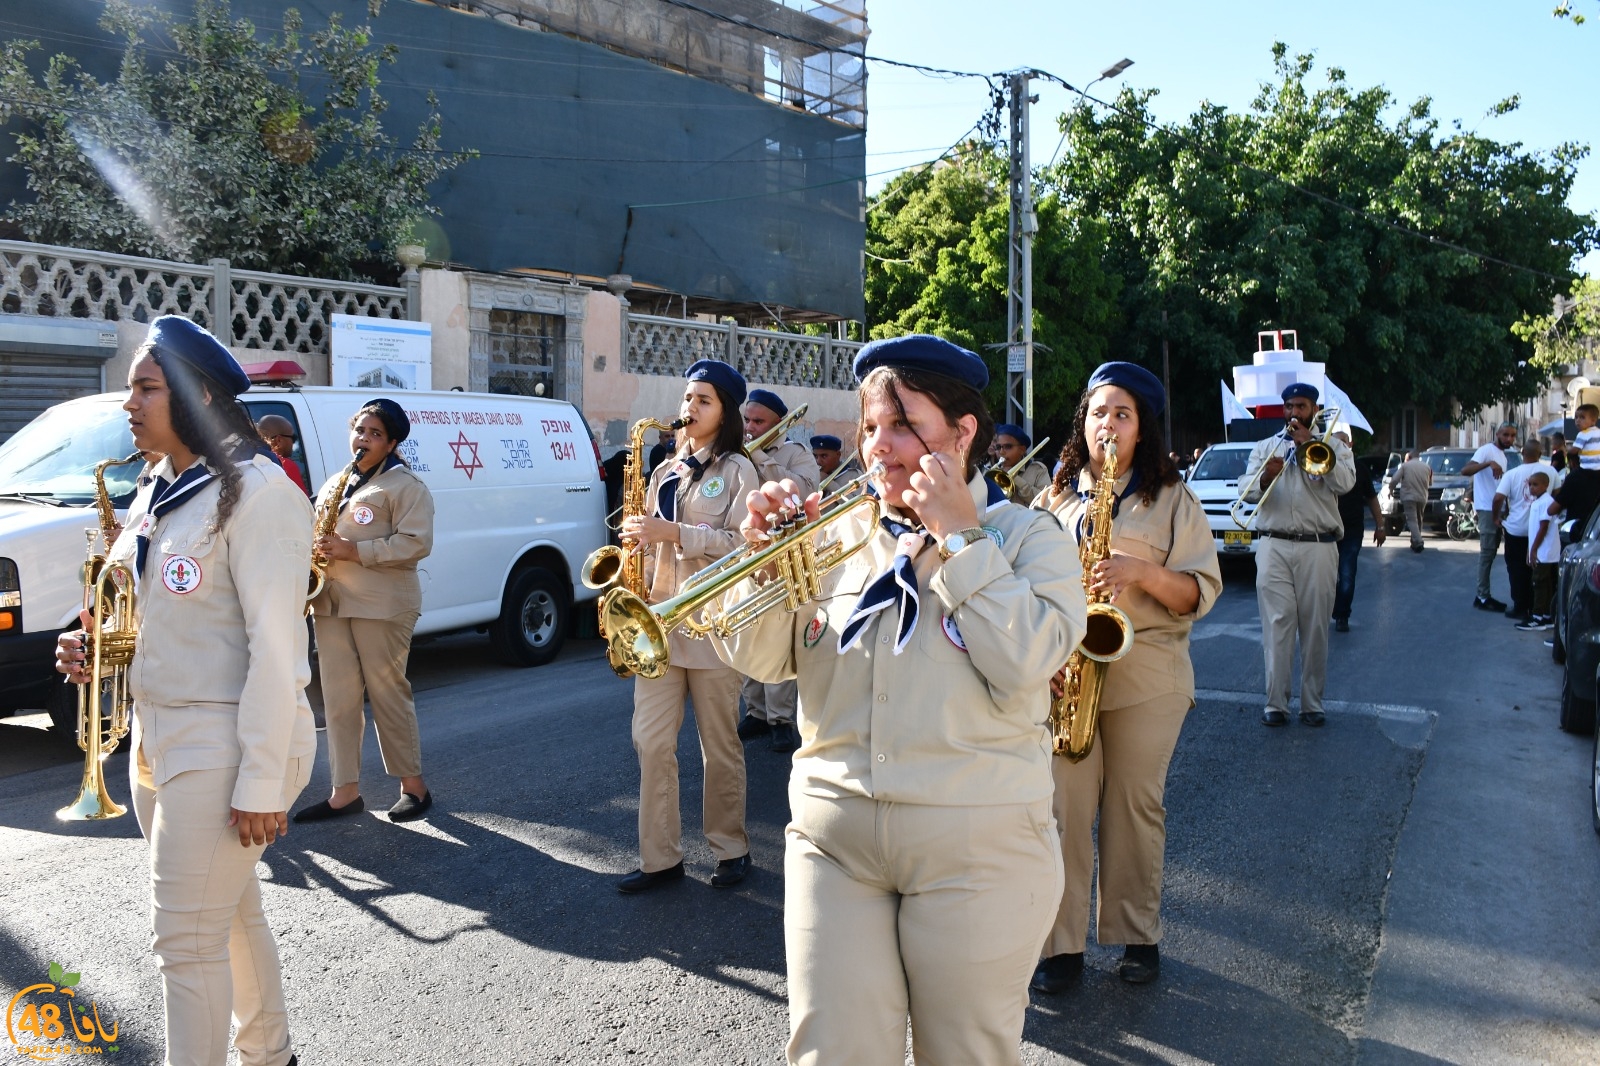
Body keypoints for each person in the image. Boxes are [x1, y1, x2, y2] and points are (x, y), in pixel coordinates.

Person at [711, 333, 1085, 1065]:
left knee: (964, 1056)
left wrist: (959, 540)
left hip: (976, 851)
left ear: (964, 432)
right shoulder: (836, 536)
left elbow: (1029, 661)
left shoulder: (1026, 537)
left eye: (903, 424)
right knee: (832, 1054)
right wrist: (762, 564)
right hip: (835, 842)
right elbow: (760, 660)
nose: (878, 446)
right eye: (869, 426)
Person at [55, 315, 315, 1066]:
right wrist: (97, 647)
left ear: (198, 397)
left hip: (229, 741)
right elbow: (146, 610)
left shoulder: (261, 494)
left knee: (184, 943)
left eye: (145, 387)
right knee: (229, 917)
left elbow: (278, 651)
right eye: (128, 388)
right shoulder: (159, 490)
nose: (127, 403)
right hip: (157, 736)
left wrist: (264, 780)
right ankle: (272, 1055)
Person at [1030, 362, 1220, 993]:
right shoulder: (1053, 498)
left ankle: (1138, 936)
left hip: (1148, 672)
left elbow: (1199, 592)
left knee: (1134, 808)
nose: (1106, 426)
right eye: (1096, 413)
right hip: (1066, 675)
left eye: (1121, 414)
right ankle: (1060, 946)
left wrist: (1138, 572)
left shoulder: (1172, 499)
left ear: (1143, 429)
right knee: (1062, 807)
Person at [618, 359, 759, 892]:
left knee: (719, 743)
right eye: (687, 398)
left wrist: (675, 533)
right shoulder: (664, 473)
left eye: (703, 400)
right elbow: (653, 548)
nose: (689, 409)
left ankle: (730, 847)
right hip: (658, 623)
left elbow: (745, 548)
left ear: (724, 412)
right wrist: (634, 570)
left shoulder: (739, 471)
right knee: (651, 742)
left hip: (712, 624)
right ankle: (661, 858)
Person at [295, 398, 436, 824]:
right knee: (337, 699)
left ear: (393, 443)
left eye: (375, 434)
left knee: (387, 693)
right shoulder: (339, 480)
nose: (364, 439)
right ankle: (345, 792)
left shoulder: (406, 486)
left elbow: (416, 543)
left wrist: (355, 550)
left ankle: (413, 787)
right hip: (332, 602)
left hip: (382, 604)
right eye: (360, 430)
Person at [1240, 383, 1356, 727]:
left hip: (1318, 545)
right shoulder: (1265, 447)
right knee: (1277, 625)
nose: (1293, 413)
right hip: (1273, 542)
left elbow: (1346, 483)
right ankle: (1275, 704)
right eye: (1289, 406)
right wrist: (1264, 478)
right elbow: (1246, 492)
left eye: (1301, 406)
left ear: (1314, 410)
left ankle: (1312, 704)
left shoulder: (1333, 445)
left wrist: (1311, 446)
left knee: (1316, 626)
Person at [738, 389, 820, 754]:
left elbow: (803, 490)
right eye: (748, 421)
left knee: (780, 627)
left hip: (785, 552)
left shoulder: (796, 454)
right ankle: (756, 711)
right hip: (748, 548)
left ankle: (781, 719)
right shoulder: (737, 451)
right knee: (749, 627)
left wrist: (760, 457)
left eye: (759, 422)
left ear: (778, 424)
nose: (751, 428)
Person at [1331, 432, 1386, 633]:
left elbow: (1372, 498)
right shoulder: (1323, 465)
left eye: (1342, 442)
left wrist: (1380, 527)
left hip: (1352, 531)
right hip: (1326, 531)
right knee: (1326, 578)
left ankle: (1342, 615)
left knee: (1347, 574)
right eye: (1334, 442)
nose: (1339, 445)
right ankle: (1331, 609)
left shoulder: (1360, 468)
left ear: (1350, 444)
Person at [1492, 441, 1552, 623]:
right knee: (1539, 570)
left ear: (1523, 452)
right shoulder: (1551, 473)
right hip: (1541, 530)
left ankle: (1520, 606)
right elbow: (1558, 496)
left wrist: (1496, 517)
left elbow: (1498, 498)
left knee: (1516, 568)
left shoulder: (1511, 474)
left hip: (1516, 529)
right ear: (1541, 453)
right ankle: (1537, 607)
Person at [1462, 422, 1516, 611]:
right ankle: (1482, 596)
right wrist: (1487, 463)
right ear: (1497, 434)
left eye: (1512, 436)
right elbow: (1465, 470)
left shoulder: (1503, 456)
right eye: (1506, 435)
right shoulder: (1486, 450)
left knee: (1492, 553)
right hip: (1486, 509)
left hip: (1498, 509)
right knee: (1486, 553)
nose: (1509, 439)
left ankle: (1484, 594)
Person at [1520, 471, 1560, 632]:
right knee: (1546, 582)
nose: (1532, 488)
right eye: (1530, 484)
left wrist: (1534, 549)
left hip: (1544, 550)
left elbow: (1543, 527)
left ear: (1546, 485)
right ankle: (1547, 615)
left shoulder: (1546, 502)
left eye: (1535, 485)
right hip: (1541, 550)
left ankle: (1537, 617)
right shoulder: (1538, 502)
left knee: (1539, 582)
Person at [1557, 405, 1600, 539]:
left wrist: (1565, 452)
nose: (1577, 421)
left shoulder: (1583, 434)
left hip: (1587, 468)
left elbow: (1574, 450)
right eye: (1576, 417)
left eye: (1582, 417)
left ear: (1593, 420)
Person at [993, 422, 1052, 502]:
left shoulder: (1038, 470)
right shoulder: (993, 472)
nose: (1001, 452)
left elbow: (1046, 501)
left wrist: (1016, 479)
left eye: (1008, 447)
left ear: (1022, 450)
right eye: (998, 447)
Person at [256, 413, 310, 495]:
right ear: (279, 440)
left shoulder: (252, 462)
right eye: (293, 438)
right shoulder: (286, 465)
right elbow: (303, 504)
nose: (293, 442)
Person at [1395, 450, 1431, 552]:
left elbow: (1394, 479)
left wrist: (1390, 488)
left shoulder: (1405, 466)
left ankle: (1419, 541)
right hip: (1422, 497)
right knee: (1419, 520)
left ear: (1409, 457)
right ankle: (1414, 543)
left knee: (1411, 520)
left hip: (1408, 497)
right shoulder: (1427, 467)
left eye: (1406, 458)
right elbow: (1430, 482)